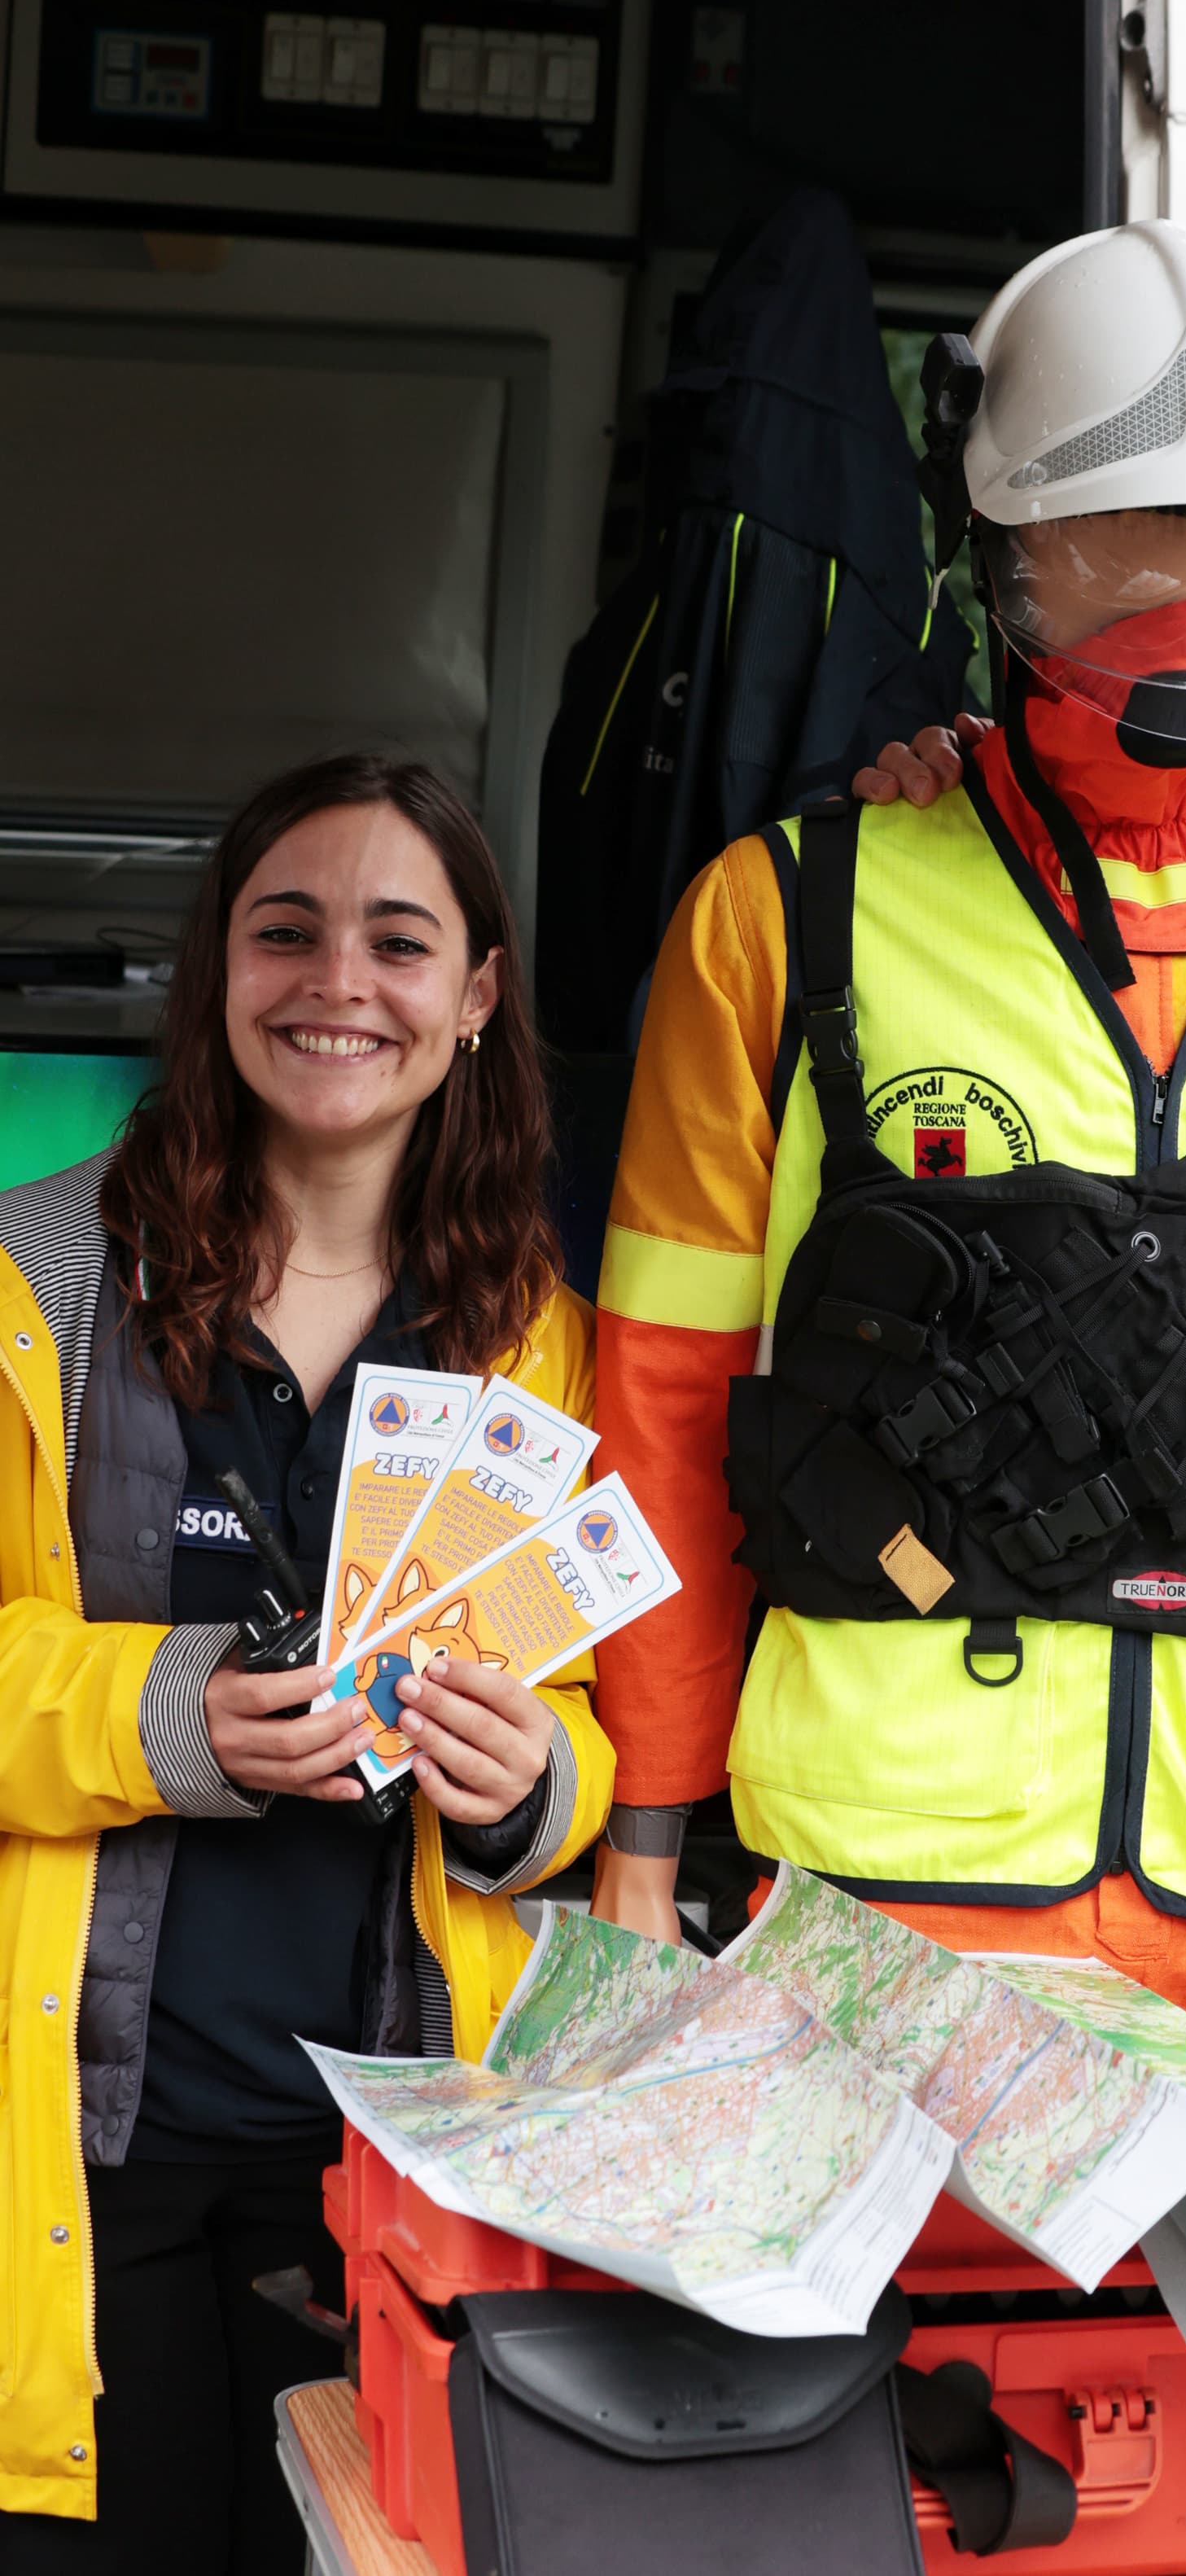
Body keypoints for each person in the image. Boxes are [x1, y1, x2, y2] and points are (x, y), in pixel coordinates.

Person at [590, 217, 1186, 2116]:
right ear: (1003, 571)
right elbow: (663, 1406)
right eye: (1119, 561)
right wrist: (641, 1826)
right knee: (856, 2415)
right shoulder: (784, 921)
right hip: (887, 1881)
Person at [0, 755, 614, 2574]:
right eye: (286, 930)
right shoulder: (36, 1276)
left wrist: (535, 1787)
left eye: (397, 940)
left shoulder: (532, 1336)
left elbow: (571, 1718)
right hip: (86, 2151)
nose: (336, 982)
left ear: (476, 996)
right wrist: (160, 1715)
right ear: (219, 972)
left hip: (393, 2161)